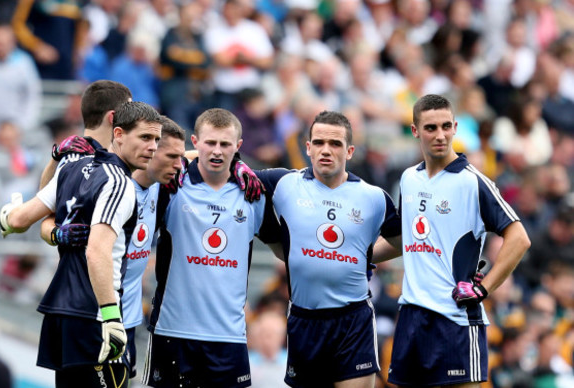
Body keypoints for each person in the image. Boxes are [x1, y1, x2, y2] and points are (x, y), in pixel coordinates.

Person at [0, 101, 163, 387]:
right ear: (119, 134)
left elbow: (17, 219)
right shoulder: (119, 184)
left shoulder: (74, 166)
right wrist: (112, 318)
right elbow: (97, 252)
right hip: (94, 314)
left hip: (60, 312)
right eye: (145, 137)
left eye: (156, 140)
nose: (153, 147)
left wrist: (11, 212)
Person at [374, 94, 531, 387]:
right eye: (431, 127)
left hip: (455, 322)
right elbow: (404, 240)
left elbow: (519, 238)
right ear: (415, 130)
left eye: (446, 126)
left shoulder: (473, 181)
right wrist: (360, 257)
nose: (440, 135)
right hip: (411, 316)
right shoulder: (409, 178)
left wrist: (484, 288)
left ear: (456, 127)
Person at [252, 110, 401, 388]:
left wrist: (366, 256)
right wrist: (185, 155)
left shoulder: (373, 197)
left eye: (335, 144)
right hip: (304, 319)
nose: (326, 150)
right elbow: (231, 169)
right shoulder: (284, 183)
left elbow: (401, 240)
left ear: (350, 151)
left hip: (353, 321)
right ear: (307, 147)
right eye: (318, 143)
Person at [44, 116, 188, 378]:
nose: (180, 165)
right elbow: (45, 210)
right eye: (170, 156)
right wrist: (56, 234)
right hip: (96, 314)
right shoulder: (111, 183)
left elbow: (205, 153)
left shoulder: (160, 182)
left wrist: (235, 164)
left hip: (128, 319)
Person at [141, 108, 266, 388]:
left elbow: (286, 246)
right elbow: (140, 167)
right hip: (172, 331)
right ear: (195, 143)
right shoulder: (171, 185)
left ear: (239, 146)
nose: (217, 151)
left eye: (225, 144)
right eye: (210, 143)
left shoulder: (254, 191)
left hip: (228, 337)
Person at [37, 79, 132, 190]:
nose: (132, 119)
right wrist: (56, 158)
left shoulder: (120, 158)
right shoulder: (76, 159)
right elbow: (46, 199)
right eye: (128, 112)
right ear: (113, 117)